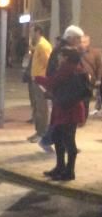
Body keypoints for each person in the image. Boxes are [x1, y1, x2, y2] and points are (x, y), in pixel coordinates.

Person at [35, 46, 88, 181]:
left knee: (68, 141)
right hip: (67, 108)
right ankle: (60, 167)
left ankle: (69, 171)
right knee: (59, 138)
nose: (58, 57)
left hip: (68, 110)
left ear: (66, 57)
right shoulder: (74, 68)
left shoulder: (67, 69)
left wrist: (37, 78)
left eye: (60, 55)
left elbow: (52, 83)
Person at [38, 25, 83, 153]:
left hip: (64, 89)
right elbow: (58, 71)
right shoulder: (63, 51)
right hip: (62, 90)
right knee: (62, 119)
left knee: (66, 119)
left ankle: (67, 144)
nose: (79, 41)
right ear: (70, 38)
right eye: (77, 38)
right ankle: (47, 140)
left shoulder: (64, 49)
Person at [28, 26, 53, 143]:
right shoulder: (39, 45)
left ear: (38, 32)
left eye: (32, 31)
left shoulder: (43, 45)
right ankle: (39, 131)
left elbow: (48, 63)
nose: (30, 33)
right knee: (38, 107)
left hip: (41, 81)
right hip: (37, 80)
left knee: (41, 107)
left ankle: (42, 133)